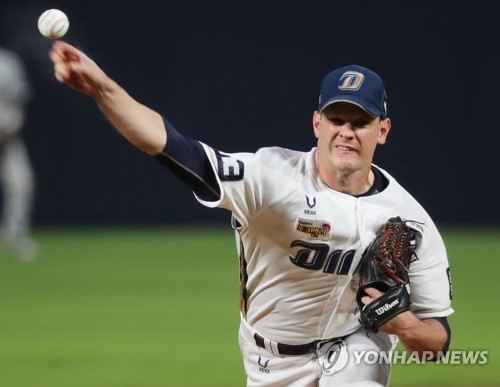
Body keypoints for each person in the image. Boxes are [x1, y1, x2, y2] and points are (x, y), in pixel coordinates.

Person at [49, 40, 453, 386]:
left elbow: (437, 343)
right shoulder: (273, 179)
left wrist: (406, 325)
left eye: (361, 121)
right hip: (270, 358)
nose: (346, 131)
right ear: (317, 123)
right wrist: (102, 89)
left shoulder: (409, 218)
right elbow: (175, 148)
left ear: (382, 130)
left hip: (355, 346)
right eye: (336, 118)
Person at [0, 47, 37, 261]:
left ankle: (15, 237)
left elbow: (20, 98)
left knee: (22, 184)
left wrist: (15, 121)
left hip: (8, 139)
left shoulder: (7, 62)